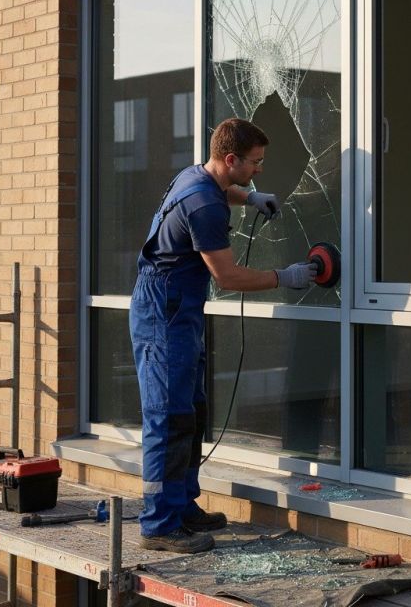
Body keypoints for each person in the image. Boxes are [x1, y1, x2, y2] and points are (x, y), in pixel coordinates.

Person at [129, 117, 317, 553]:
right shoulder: (204, 205)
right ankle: (158, 525)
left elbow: (222, 190)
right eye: (254, 163)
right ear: (231, 159)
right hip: (163, 311)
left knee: (191, 412)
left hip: (177, 309)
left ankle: (182, 506)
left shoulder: (198, 176)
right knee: (168, 418)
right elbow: (227, 276)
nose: (259, 169)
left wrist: (250, 196)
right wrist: (284, 277)